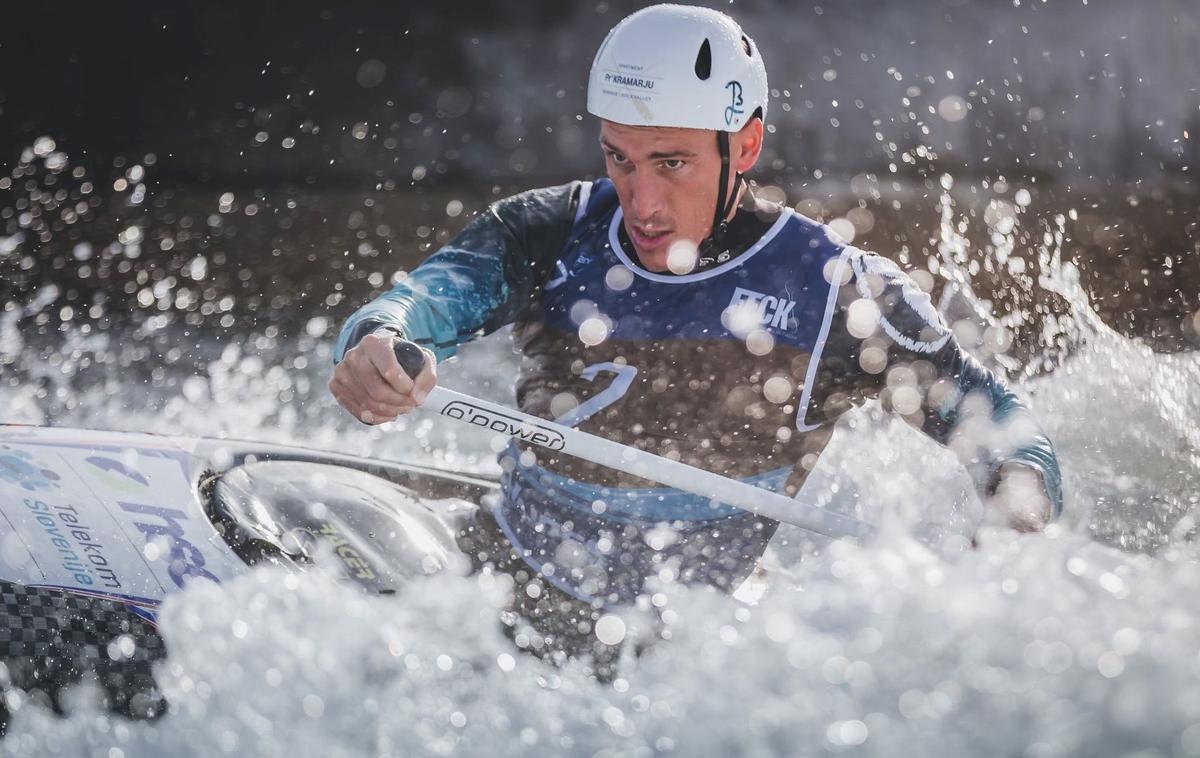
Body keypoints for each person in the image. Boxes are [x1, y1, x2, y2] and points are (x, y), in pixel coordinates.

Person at [330, 4, 1062, 672]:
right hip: (488, 598)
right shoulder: (547, 231)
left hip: (685, 656)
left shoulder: (842, 294)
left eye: (672, 163)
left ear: (744, 147)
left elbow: (1001, 422)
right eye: (621, 158)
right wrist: (375, 345)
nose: (642, 202)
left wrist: (1018, 506)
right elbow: (410, 306)